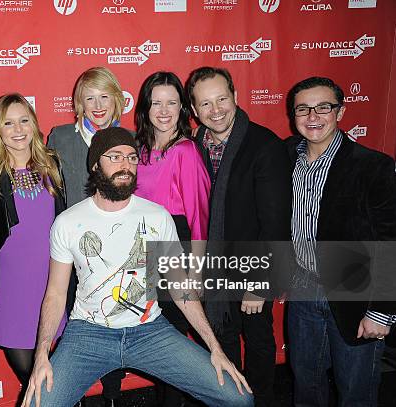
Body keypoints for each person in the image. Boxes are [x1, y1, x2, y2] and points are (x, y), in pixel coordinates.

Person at [22, 127, 253, 407]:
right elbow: (56, 294)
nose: (125, 165)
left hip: (150, 331)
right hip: (88, 334)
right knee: (40, 404)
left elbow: (181, 287)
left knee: (237, 398)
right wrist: (41, 355)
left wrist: (215, 347)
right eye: (115, 156)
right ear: (96, 164)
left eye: (132, 157)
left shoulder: (157, 217)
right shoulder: (68, 223)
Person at [286, 76, 396, 407]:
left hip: (356, 295)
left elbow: (391, 240)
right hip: (303, 289)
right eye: (303, 109)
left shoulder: (372, 166)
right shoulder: (286, 158)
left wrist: (381, 311)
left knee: (356, 393)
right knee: (306, 387)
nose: (312, 116)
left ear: (341, 112)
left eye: (323, 107)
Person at [187, 66, 292, 406]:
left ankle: (260, 400)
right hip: (213, 267)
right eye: (205, 104)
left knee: (259, 342)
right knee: (221, 340)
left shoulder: (265, 146)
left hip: (251, 268)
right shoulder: (194, 146)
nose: (215, 110)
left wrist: (259, 283)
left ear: (235, 97)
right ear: (193, 110)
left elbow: (275, 223)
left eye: (221, 99)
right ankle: (230, 400)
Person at [46, 66, 129, 405]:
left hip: (117, 250)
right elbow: (51, 195)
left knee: (113, 320)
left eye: (104, 96)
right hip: (73, 252)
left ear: (116, 100)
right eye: (89, 97)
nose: (97, 105)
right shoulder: (60, 137)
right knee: (74, 325)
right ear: (78, 102)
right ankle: (74, 393)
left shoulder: (128, 138)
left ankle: (112, 394)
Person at [134, 71, 211, 405]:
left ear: (183, 108)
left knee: (174, 341)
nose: (163, 111)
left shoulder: (186, 152)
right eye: (156, 103)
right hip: (146, 247)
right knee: (156, 336)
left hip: (176, 246)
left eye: (172, 103)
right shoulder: (140, 149)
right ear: (146, 107)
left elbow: (199, 216)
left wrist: (195, 271)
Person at [0, 94, 67, 393]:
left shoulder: (52, 165)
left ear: (33, 123)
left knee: (52, 374)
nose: (17, 129)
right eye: (8, 123)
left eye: (23, 120)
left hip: (50, 281)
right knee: (29, 373)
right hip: (10, 286)